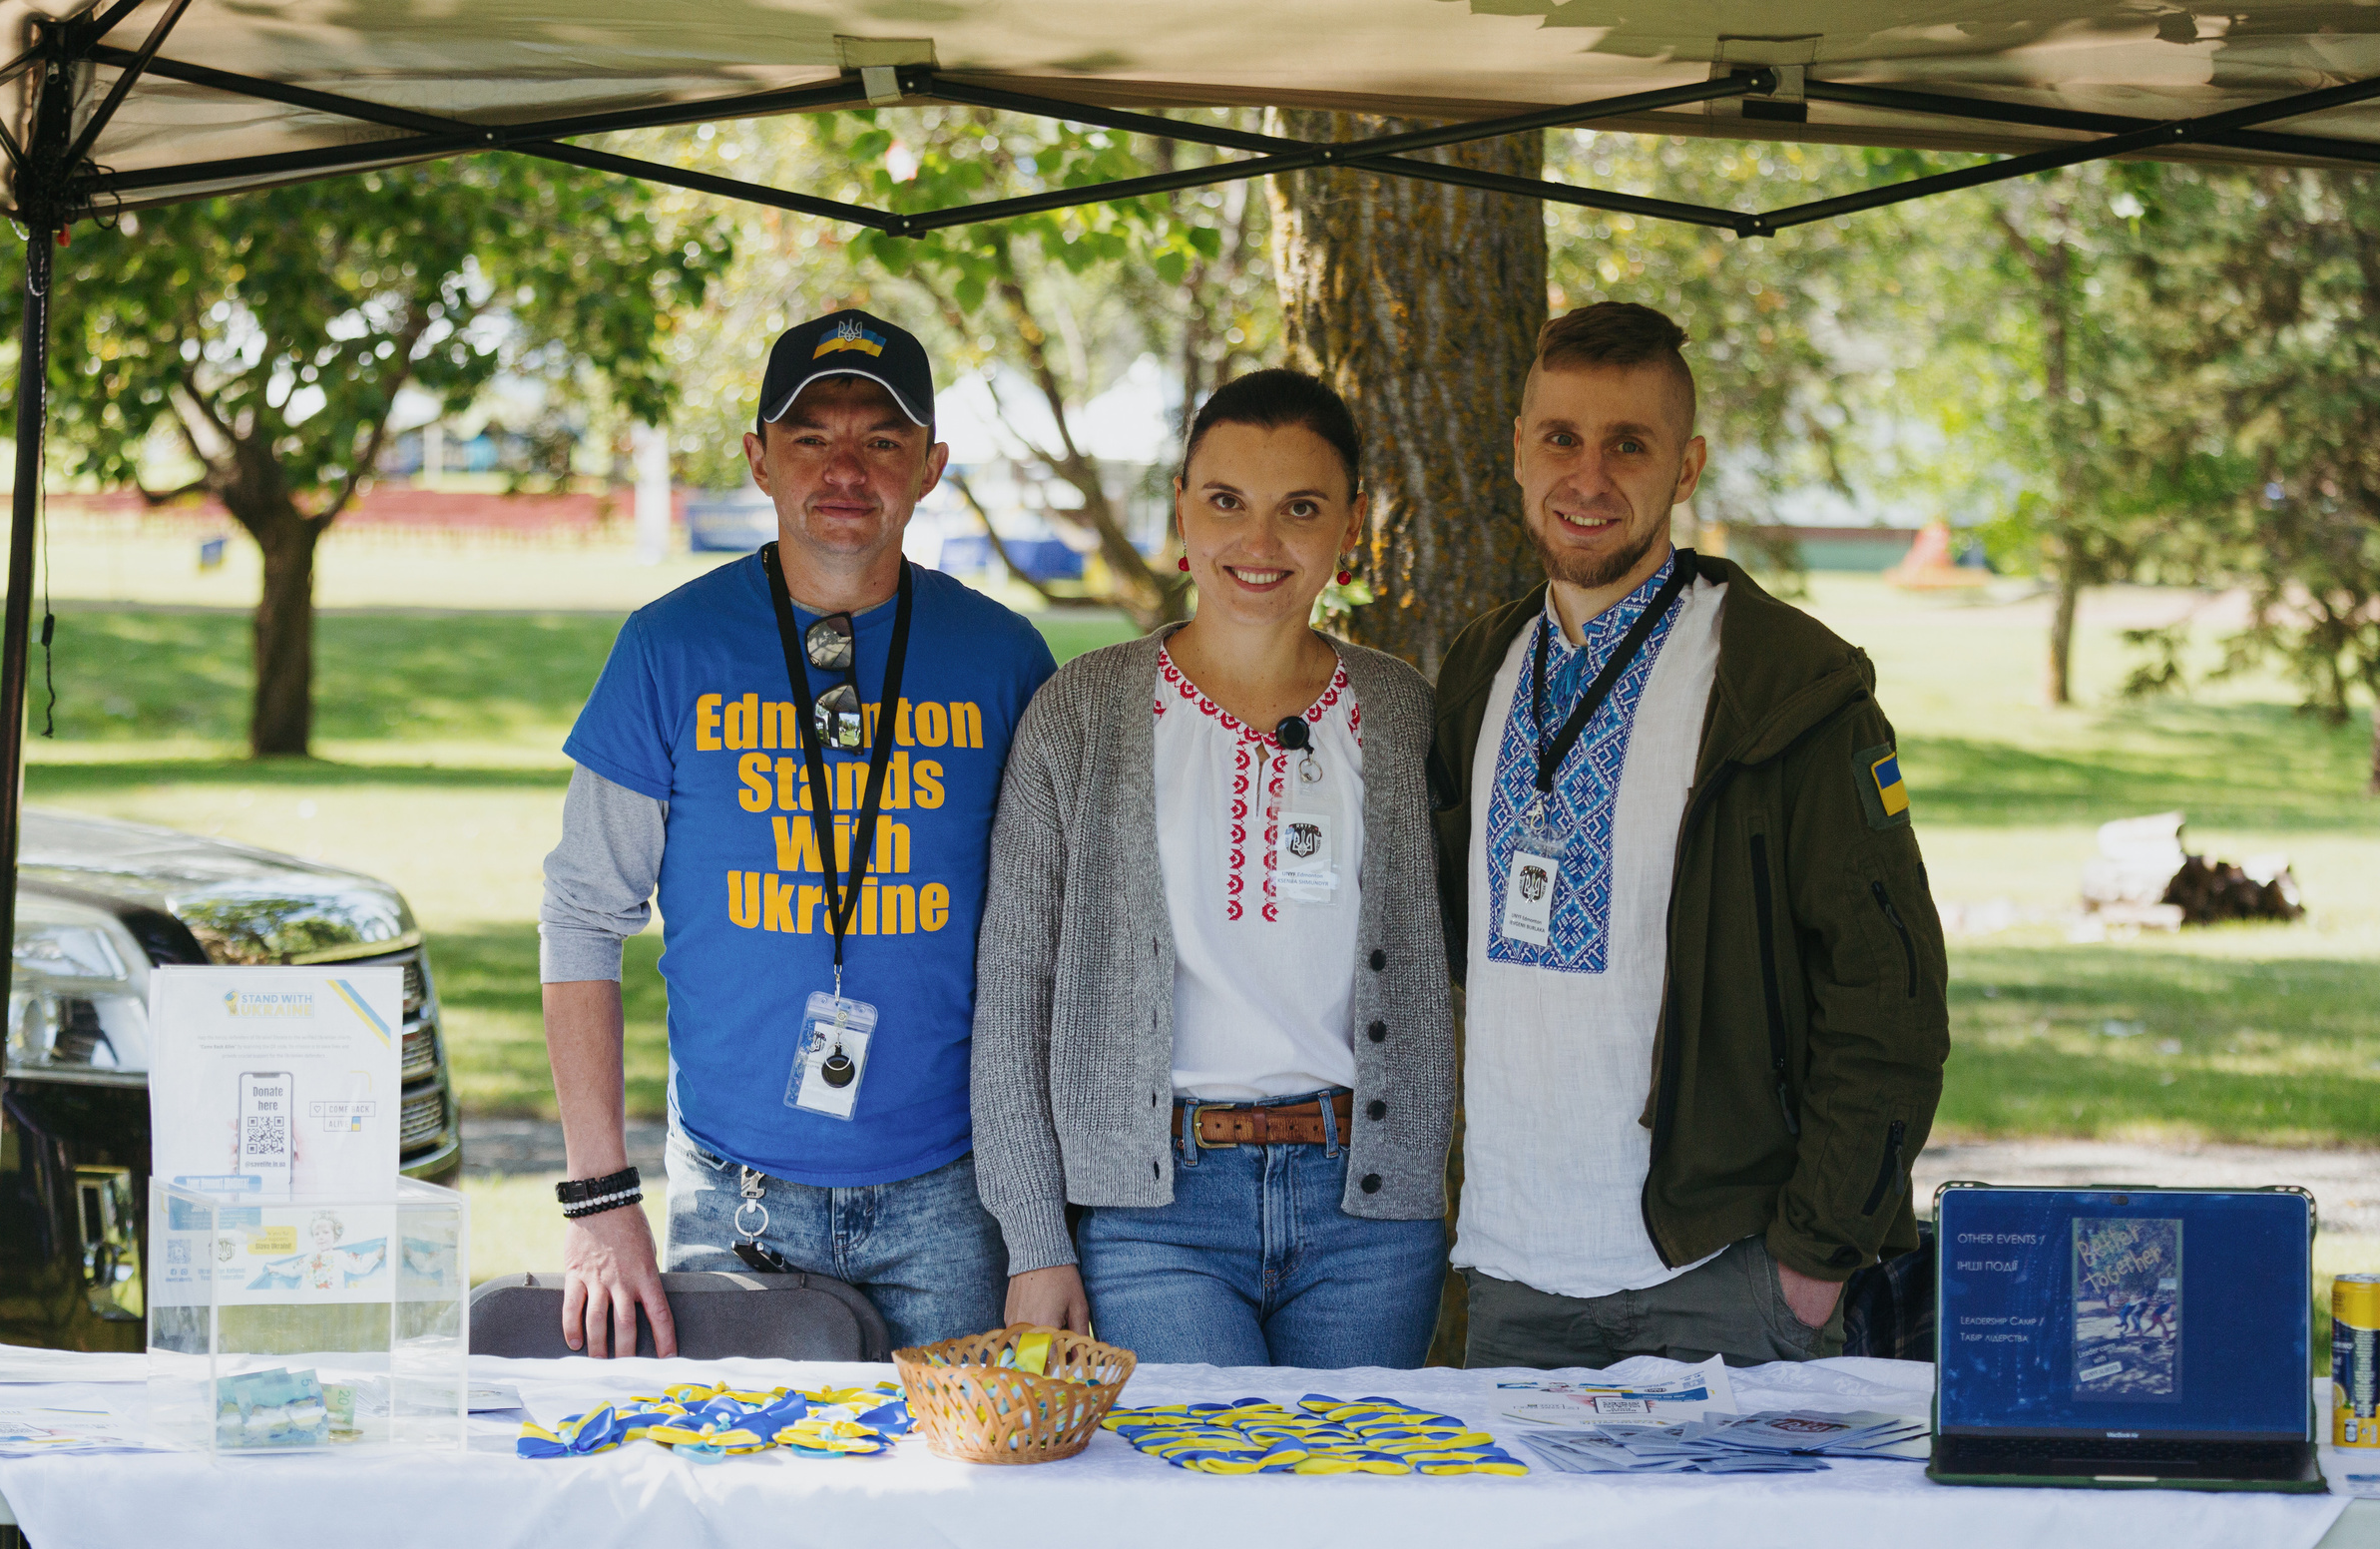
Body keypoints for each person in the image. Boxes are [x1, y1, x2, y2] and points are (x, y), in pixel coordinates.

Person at [1428, 300, 1950, 1370]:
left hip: (1722, 1274)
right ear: (1518, 451)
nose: (1588, 476)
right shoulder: (1482, 667)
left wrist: (1817, 1252)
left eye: (1630, 445)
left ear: (1687, 466)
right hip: (1514, 1275)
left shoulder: (1784, 686)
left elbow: (1888, 988)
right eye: (1561, 438)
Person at [539, 307, 1057, 1355]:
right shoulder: (667, 648)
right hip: (736, 1198)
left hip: (954, 1202)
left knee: (958, 1467)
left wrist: (1043, 1226)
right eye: (811, 436)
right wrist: (600, 1199)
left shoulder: (1005, 660)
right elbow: (583, 916)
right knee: (738, 1466)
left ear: (931, 466)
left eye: (881, 439)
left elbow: (1058, 942)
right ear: (758, 459)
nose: (844, 469)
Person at [974, 369, 1454, 1368]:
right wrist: (1035, 1240)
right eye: (1227, 501)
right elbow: (1014, 994)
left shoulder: (1403, 714)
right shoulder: (1081, 714)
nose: (1259, 541)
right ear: (1181, 508)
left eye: (1301, 508)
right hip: (1155, 1214)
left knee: (1361, 1467)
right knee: (1206, 1470)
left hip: (1368, 1215)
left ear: (1352, 523)